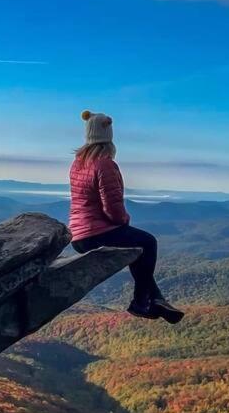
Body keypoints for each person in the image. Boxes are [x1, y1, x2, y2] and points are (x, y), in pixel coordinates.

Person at [69, 110, 184, 323]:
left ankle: (156, 298)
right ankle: (141, 302)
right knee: (147, 242)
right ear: (108, 136)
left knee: (136, 244)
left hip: (78, 235)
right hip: (96, 233)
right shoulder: (105, 163)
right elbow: (112, 206)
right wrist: (124, 222)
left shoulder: (78, 162)